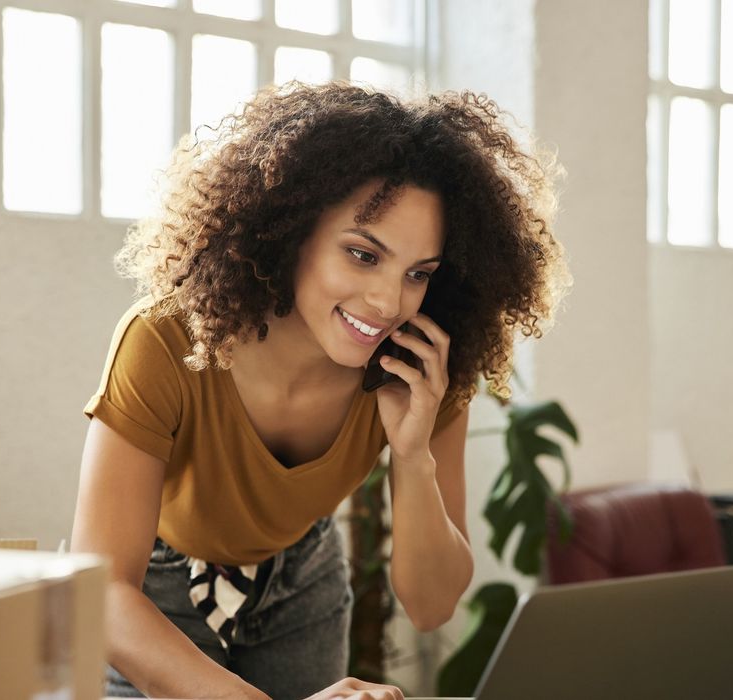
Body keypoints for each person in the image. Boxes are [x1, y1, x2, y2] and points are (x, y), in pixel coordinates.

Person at [72, 81, 570, 700]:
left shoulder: (422, 368)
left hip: (301, 579)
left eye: (418, 273)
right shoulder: (166, 340)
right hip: (151, 594)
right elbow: (106, 588)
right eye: (363, 255)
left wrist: (413, 455)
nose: (389, 301)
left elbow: (432, 606)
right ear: (290, 230)